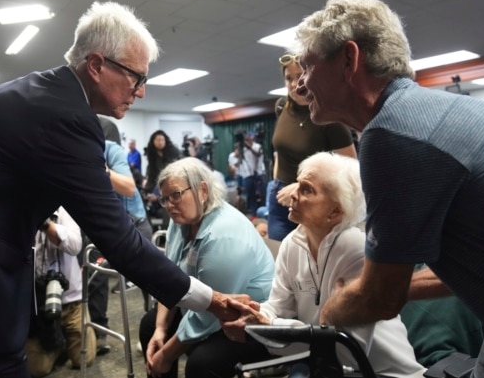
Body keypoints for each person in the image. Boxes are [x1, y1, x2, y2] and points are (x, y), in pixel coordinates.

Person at [0, 1, 248, 378]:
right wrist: (212, 300)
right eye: (136, 78)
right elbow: (119, 239)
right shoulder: (67, 119)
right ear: (96, 65)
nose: (140, 92)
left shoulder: (35, 91)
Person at [290, 0, 484, 378]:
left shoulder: (392, 134)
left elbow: (379, 298)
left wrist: (329, 311)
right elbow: (476, 264)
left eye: (307, 66)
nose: (301, 84)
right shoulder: (427, 113)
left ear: (349, 60)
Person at [223, 153, 424, 378]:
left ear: (335, 211)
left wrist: (269, 324)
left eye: (307, 189)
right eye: (298, 184)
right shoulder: (293, 242)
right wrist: (251, 313)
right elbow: (278, 306)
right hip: (327, 365)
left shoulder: (356, 248)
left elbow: (346, 351)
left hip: (380, 371)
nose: (294, 194)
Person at [139, 157, 275, 378]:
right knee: (149, 326)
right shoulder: (181, 220)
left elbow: (211, 314)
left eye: (176, 195)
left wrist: (166, 356)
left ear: (202, 190)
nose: (170, 205)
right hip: (208, 308)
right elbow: (170, 275)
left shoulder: (224, 235)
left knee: (202, 364)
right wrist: (161, 329)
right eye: (165, 199)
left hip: (249, 321)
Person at [269, 54, 356, 241]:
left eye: (300, 76)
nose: (294, 84)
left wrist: (299, 186)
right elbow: (281, 152)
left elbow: (351, 167)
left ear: (311, 75)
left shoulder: (330, 115)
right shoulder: (281, 106)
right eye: (288, 78)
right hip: (279, 196)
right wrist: (276, 182)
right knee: (279, 255)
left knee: (309, 260)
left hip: (311, 198)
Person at [26, 207, 96, 377]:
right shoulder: (23, 211)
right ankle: (56, 345)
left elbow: (75, 246)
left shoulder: (64, 210)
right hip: (40, 303)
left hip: (72, 300)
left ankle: (63, 342)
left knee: (84, 360)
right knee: (37, 369)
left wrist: (46, 223)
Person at [144, 130, 180, 223]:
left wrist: (158, 195)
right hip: (160, 188)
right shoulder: (152, 156)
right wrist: (146, 192)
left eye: (162, 140)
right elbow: (152, 176)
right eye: (158, 140)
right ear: (153, 141)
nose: (160, 142)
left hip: (173, 185)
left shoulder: (173, 153)